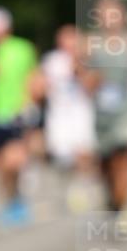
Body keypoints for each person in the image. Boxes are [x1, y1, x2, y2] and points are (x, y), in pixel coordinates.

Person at [81, 0, 127, 214]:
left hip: (125, 111)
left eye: (114, 14)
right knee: (105, 162)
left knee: (122, 156)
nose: (110, 19)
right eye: (105, 14)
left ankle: (124, 203)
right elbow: (80, 76)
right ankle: (113, 197)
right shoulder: (89, 43)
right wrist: (91, 79)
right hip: (100, 113)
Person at [31, 25, 96, 212]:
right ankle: (69, 186)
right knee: (62, 157)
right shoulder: (52, 60)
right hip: (59, 116)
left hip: (81, 113)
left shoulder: (87, 60)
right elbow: (40, 86)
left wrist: (80, 67)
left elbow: (92, 86)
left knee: (83, 153)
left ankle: (81, 189)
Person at [0, 7, 38, 226]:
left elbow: (32, 77)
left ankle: (16, 201)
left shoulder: (22, 48)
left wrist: (29, 103)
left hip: (15, 112)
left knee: (12, 162)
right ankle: (10, 200)